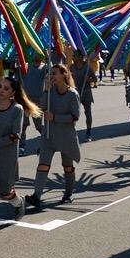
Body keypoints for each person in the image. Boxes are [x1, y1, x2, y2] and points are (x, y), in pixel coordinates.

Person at [0, 76, 39, 220]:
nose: (1, 90)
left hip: (7, 156)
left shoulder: (17, 110)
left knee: (5, 191)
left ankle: (20, 203)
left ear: (13, 92)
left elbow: (15, 135)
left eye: (6, 88)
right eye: (0, 86)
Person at [25, 64, 81, 209]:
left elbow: (75, 117)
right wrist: (45, 90)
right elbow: (43, 107)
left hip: (66, 136)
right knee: (43, 165)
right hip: (48, 135)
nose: (52, 76)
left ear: (64, 74)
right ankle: (36, 196)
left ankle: (68, 193)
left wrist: (55, 117)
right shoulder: (50, 91)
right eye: (50, 73)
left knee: (68, 167)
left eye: (55, 73)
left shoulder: (72, 94)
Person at [20, 53, 47, 155]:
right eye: (34, 53)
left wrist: (48, 58)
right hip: (26, 100)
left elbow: (51, 71)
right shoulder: (27, 66)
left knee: (39, 126)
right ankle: (22, 147)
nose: (36, 56)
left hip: (38, 101)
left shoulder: (44, 68)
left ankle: (47, 143)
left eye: (38, 54)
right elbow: (18, 72)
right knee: (23, 125)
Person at [70, 52, 96, 141]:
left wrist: (89, 79)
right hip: (75, 93)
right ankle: (71, 132)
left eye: (75, 56)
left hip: (86, 93)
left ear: (81, 57)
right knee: (74, 113)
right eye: (73, 56)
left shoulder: (87, 67)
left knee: (88, 113)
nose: (73, 57)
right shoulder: (72, 67)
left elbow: (94, 79)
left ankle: (88, 132)